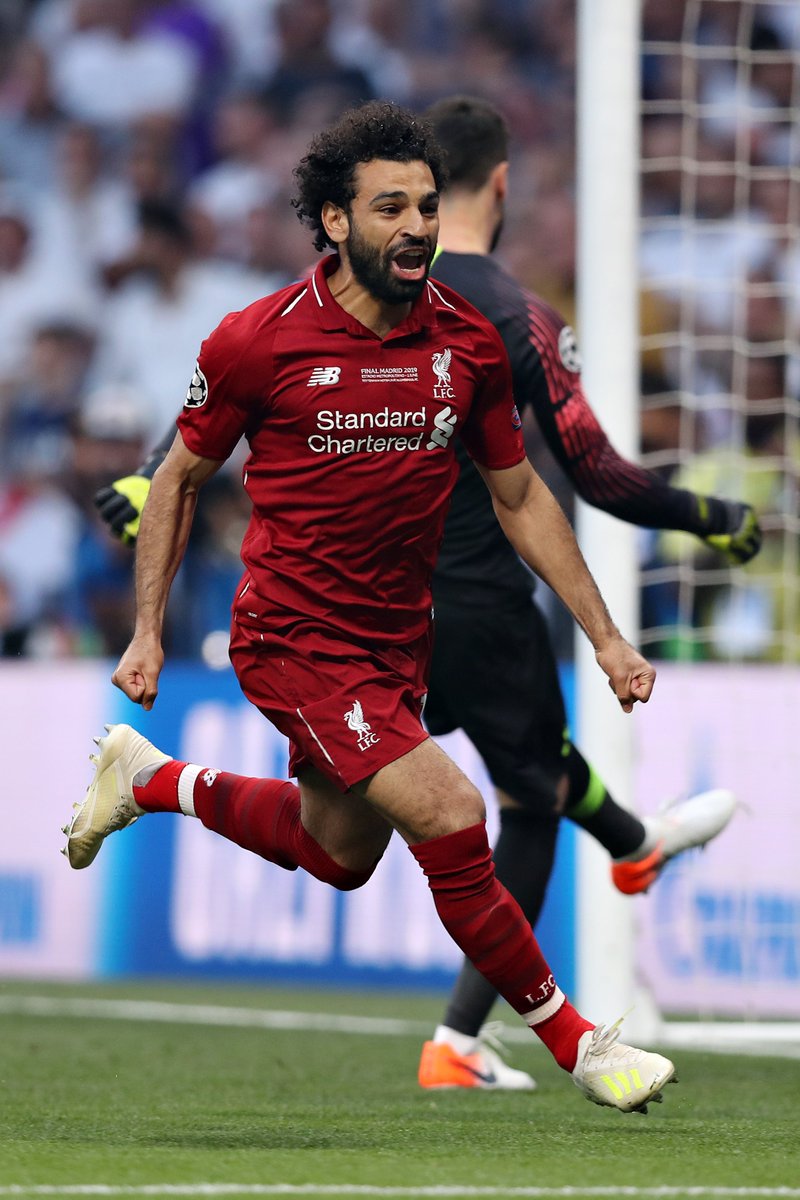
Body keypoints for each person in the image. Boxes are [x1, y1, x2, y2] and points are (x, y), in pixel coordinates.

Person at [92, 96, 760, 1092]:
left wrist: (608, 639)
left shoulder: (468, 342)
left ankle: (151, 781)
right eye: (389, 208)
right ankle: (579, 1046)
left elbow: (522, 493)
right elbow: (180, 478)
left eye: (425, 207)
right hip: (291, 638)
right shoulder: (255, 340)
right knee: (453, 809)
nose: (414, 228)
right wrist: (148, 631)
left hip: (399, 641)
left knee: (338, 854)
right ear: (334, 221)